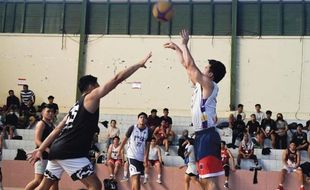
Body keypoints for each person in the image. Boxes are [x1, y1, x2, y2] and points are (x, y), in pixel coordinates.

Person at [27, 52, 152, 190]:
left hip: (57, 150)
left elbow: (57, 130)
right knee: (95, 185)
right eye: (97, 84)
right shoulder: (91, 97)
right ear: (91, 86)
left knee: (44, 186)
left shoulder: (75, 106)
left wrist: (41, 148)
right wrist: (139, 64)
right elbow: (117, 78)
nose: (99, 87)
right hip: (70, 152)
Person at [164, 29, 226, 189]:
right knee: (205, 180)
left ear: (211, 74)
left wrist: (184, 44)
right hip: (201, 135)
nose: (202, 69)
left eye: (205, 68)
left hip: (207, 135)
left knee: (209, 181)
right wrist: (177, 49)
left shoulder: (209, 84)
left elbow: (191, 66)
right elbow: (186, 65)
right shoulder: (201, 85)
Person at [25, 104, 58, 190]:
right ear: (42, 112)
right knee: (38, 180)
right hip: (41, 155)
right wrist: (47, 150)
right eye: (48, 111)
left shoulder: (52, 125)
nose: (51, 113)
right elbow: (37, 140)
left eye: (52, 112)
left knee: (54, 180)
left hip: (50, 156)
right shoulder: (41, 124)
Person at [118, 112, 152, 190]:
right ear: (138, 119)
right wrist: (119, 150)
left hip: (141, 157)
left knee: (136, 178)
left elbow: (148, 146)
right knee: (136, 177)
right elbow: (124, 140)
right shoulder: (132, 128)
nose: (142, 119)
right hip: (132, 155)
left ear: (146, 120)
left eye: (144, 118)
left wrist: (145, 159)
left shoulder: (149, 131)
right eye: (141, 117)